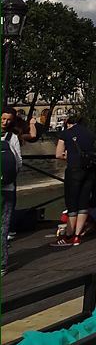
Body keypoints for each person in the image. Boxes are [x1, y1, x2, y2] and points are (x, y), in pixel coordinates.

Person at [51, 115, 96, 248]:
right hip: (89, 170)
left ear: (68, 123)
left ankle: (69, 236)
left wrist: (69, 156)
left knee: (72, 203)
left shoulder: (66, 133)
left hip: (74, 170)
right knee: (83, 202)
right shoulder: (90, 133)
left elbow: (58, 154)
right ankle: (77, 236)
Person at [1, 107, 23, 274]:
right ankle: (2, 263)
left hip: (6, 189)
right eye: (3, 119)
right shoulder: (12, 137)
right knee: (3, 226)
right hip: (7, 187)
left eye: (7, 120)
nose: (5, 122)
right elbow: (18, 162)